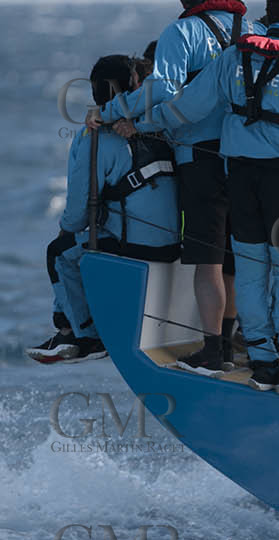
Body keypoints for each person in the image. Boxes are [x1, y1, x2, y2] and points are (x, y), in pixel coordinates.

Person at [143, 0, 279, 396]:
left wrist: (140, 121)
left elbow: (188, 108)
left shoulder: (235, 55)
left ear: (267, 15)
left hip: (240, 178)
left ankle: (262, 364)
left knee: (251, 270)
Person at [115, 0, 262, 373]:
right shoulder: (252, 31)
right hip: (250, 158)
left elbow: (163, 89)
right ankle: (233, 344)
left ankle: (212, 351)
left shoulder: (180, 33)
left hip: (200, 156)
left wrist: (123, 117)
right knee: (236, 258)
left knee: (209, 260)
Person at [35, 55, 180, 362]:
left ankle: (82, 335)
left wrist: (68, 230)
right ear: (137, 86)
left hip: (133, 246)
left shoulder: (95, 138)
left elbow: (75, 214)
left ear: (94, 93)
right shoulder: (156, 126)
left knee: (59, 252)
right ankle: (74, 332)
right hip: (175, 246)